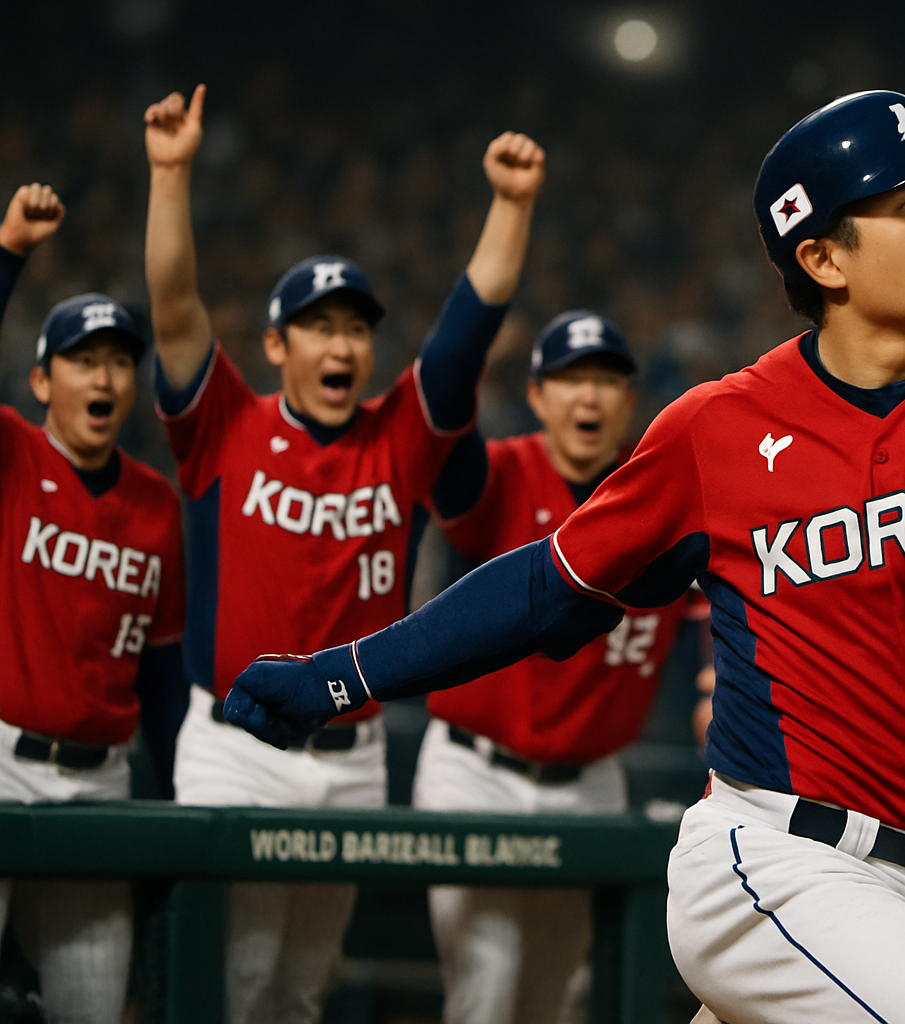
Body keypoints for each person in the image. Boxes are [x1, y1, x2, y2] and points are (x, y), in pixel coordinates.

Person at [224, 89, 905, 1023]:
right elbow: (545, 586)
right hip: (776, 866)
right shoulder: (716, 428)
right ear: (820, 257)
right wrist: (339, 676)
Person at [142, 83, 545, 1024]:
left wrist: (511, 205)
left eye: (357, 328)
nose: (342, 343)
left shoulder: (399, 436)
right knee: (228, 987)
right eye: (320, 326)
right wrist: (169, 174)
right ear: (276, 344)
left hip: (355, 752)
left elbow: (462, 337)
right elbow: (170, 309)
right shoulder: (225, 426)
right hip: (234, 745)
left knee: (300, 991)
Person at [418, 311, 705, 1024]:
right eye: (570, 379)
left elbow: (716, 596)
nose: (589, 396)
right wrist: (477, 331)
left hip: (590, 784)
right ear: (539, 397)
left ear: (630, 403)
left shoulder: (657, 498)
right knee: (486, 990)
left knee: (552, 1002)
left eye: (607, 380)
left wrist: (711, 678)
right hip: (474, 773)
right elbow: (441, 430)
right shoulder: (499, 478)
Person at [0, 183, 187, 1023]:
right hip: (1, 761)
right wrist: (8, 254)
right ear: (42, 380)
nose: (105, 375)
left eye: (119, 360)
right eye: (83, 360)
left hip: (102, 783)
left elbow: (161, 670)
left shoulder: (154, 504)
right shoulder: (10, 454)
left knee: (92, 1010)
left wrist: (183, 797)